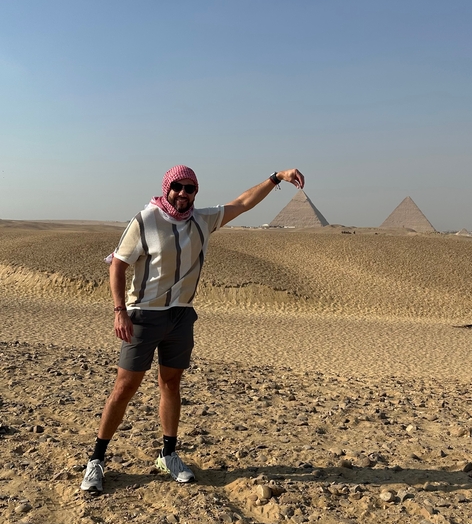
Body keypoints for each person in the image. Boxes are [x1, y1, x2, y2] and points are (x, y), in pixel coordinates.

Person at [81, 164, 305, 493]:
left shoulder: (202, 219)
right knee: (124, 388)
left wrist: (276, 178)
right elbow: (118, 264)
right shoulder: (146, 219)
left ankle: (168, 454)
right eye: (178, 187)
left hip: (180, 317)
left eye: (190, 189)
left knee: (171, 384)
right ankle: (97, 460)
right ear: (167, 187)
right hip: (144, 315)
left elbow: (243, 203)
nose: (184, 194)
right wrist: (119, 311)